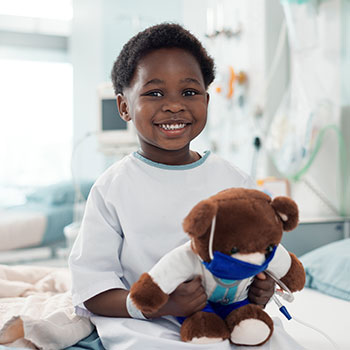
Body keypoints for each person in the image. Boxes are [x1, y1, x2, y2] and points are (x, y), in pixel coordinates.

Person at [69, 23, 296, 350]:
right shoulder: (113, 188)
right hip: (150, 324)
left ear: (206, 100)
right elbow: (93, 290)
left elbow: (260, 255)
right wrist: (164, 305)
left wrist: (262, 290)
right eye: (154, 93)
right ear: (123, 107)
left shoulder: (234, 182)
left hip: (235, 319)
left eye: (189, 92)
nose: (174, 105)